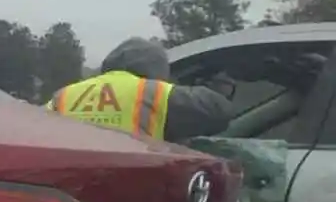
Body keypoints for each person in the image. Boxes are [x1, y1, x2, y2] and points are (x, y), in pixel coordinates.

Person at [47, 37, 233, 144]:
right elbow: (218, 111)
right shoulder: (153, 93)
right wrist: (213, 86)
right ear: (158, 69)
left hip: (66, 195)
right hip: (131, 192)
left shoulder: (63, 96)